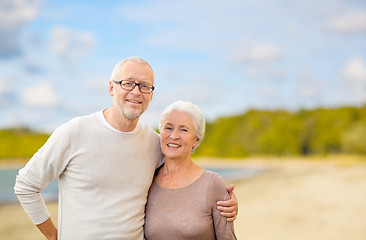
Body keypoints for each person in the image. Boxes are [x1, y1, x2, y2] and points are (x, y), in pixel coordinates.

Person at [14, 57, 238, 240]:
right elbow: (26, 186)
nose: (136, 91)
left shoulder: (154, 142)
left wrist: (222, 202)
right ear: (112, 88)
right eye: (128, 83)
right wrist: (54, 236)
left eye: (144, 86)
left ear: (151, 94)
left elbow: (181, 177)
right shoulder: (74, 132)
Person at [144, 100, 237, 239]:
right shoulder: (147, 180)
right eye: (168, 128)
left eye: (184, 130)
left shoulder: (212, 183)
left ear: (196, 140)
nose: (174, 135)